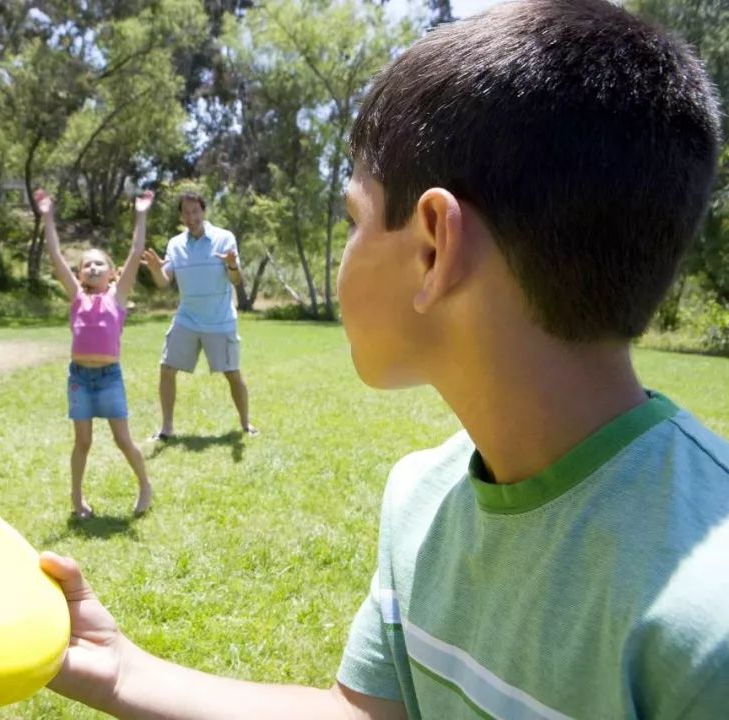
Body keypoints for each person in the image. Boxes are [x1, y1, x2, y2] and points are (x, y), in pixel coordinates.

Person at [38, 0, 729, 717]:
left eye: (352, 219)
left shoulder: (710, 624)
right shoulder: (420, 501)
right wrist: (124, 674)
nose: (347, 247)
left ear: (433, 247)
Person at [36, 188, 154, 520]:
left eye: (100, 263)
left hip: (109, 378)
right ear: (79, 274)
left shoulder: (117, 297)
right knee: (82, 442)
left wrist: (141, 214)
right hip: (80, 379)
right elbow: (55, 254)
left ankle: (145, 485)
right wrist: (47, 215)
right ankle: (78, 500)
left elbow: (135, 251)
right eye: (86, 265)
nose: (92, 268)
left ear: (113, 272)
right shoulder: (77, 297)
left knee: (122, 439)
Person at [142, 191, 257, 440]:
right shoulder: (175, 244)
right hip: (187, 319)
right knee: (166, 368)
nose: (191, 217)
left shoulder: (224, 238)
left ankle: (246, 424)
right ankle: (166, 429)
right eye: (186, 212)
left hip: (220, 319)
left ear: (203, 211)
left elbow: (236, 279)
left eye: (195, 211)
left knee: (233, 374)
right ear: (181, 215)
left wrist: (232, 264)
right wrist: (154, 269)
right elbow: (164, 282)